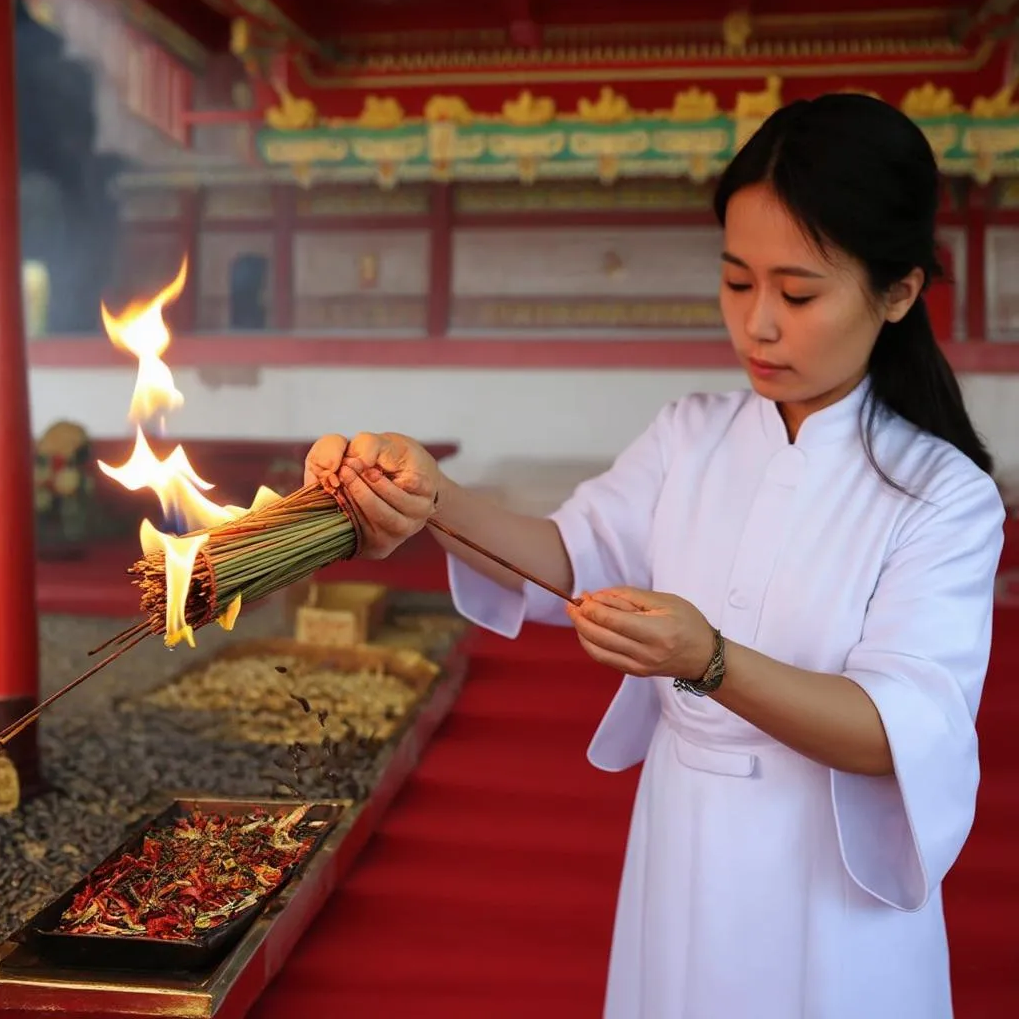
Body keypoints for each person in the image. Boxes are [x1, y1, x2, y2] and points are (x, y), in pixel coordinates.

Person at [303, 94, 1004, 1019]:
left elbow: (898, 732)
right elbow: (566, 555)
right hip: (683, 838)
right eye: (736, 281)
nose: (757, 325)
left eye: (797, 294)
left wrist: (708, 661)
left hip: (827, 885)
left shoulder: (943, 495)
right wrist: (434, 498)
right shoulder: (692, 436)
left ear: (900, 292)